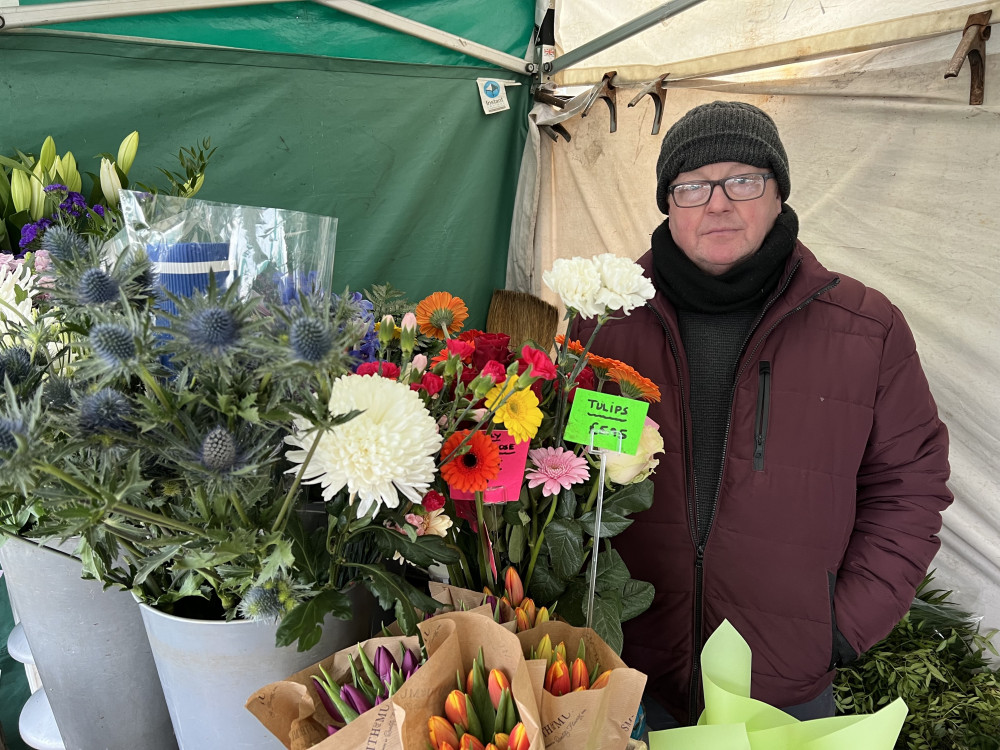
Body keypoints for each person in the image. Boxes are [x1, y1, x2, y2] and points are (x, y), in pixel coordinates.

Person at [571, 100, 953, 728]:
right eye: (692, 186)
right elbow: (570, 473)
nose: (716, 203)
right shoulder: (605, 325)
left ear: (779, 193)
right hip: (627, 669)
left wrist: (839, 626)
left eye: (742, 180)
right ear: (668, 203)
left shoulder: (866, 328)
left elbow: (908, 487)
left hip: (783, 685)